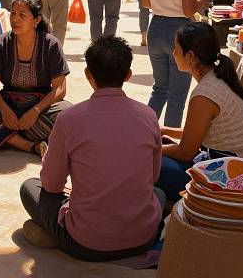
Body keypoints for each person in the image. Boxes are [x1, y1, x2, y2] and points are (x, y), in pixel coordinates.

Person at [20, 36, 165, 261]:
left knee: (29, 187)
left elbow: (51, 184)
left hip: (86, 243)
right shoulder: (148, 116)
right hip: (142, 238)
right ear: (128, 75)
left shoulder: (69, 119)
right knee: (159, 194)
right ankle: (59, 233)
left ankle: (55, 236)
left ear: (88, 74)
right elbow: (153, 177)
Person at [157, 22, 243, 201]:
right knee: (161, 143)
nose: (173, 54)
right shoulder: (221, 77)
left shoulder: (204, 95)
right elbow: (199, 133)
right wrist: (164, 130)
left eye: (176, 48)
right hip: (240, 161)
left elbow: (186, 152)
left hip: (230, 175)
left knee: (147, 161)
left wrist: (155, 149)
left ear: (190, 56)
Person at [0, 0, 72, 157]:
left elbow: (59, 89)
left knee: (67, 113)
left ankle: (3, 137)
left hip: (40, 110)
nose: (15, 19)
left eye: (22, 15)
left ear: (36, 20)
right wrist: (4, 110)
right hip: (8, 106)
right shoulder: (2, 44)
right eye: (13, 13)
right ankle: (30, 146)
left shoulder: (51, 45)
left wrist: (35, 111)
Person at [142, 0, 221, 127]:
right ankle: (168, 142)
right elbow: (189, 9)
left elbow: (146, 2)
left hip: (156, 28)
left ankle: (144, 130)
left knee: (159, 89)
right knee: (177, 95)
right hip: (179, 33)